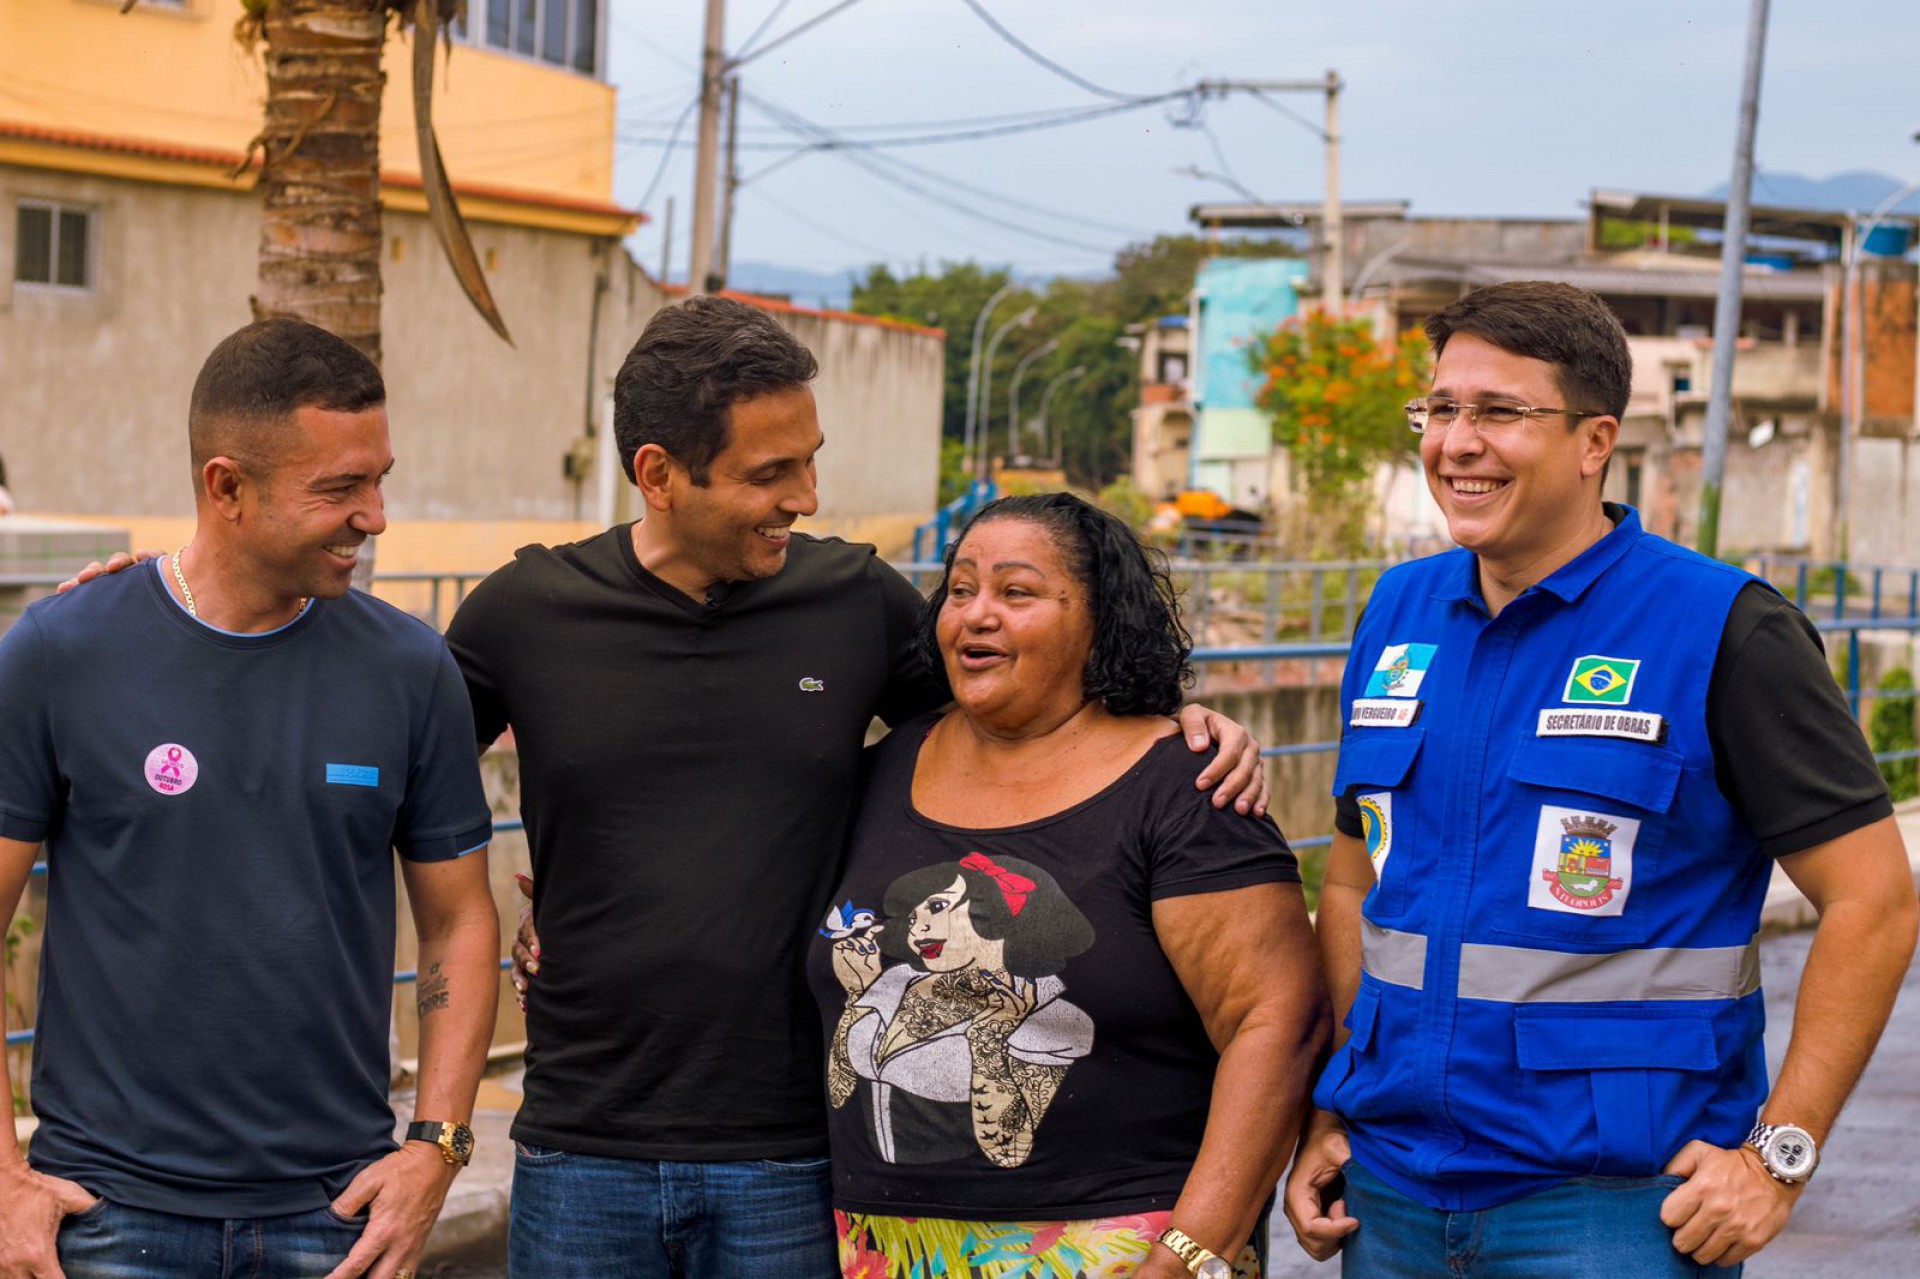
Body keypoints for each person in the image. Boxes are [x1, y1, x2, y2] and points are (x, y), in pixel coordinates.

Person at [455, 296, 1270, 1278]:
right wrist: (495, 903)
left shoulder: (855, 600)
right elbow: (405, 787)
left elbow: (1019, 713)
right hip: (579, 1140)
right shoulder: (524, 612)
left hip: (797, 1151)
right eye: (771, 473)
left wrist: (1178, 720)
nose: (806, 494)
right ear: (658, 475)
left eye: (810, 457)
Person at [1282, 281, 1920, 1277]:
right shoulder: (1397, 611)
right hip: (1393, 1197)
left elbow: (1873, 901)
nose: (1456, 442)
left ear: (1594, 441)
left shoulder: (1723, 629)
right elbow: (1359, 877)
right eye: (1441, 408)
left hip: (1613, 1212)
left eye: (1501, 411)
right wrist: (1327, 1110)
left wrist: (1778, 1157)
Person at [0, 319, 500, 1279]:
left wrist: (435, 1147)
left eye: (380, 476)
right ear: (225, 486)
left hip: (340, 1220)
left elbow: (458, 921)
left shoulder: (409, 668)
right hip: (103, 1220)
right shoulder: (63, 652)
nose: (377, 515)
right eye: (340, 489)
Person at [813, 492, 1329, 1279]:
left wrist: (1192, 1250)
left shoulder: (1186, 790)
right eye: (960, 590)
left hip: (1122, 1251)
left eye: (1016, 592)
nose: (976, 615)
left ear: (1099, 619)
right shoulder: (880, 771)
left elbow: (1277, 1023)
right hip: (884, 1253)